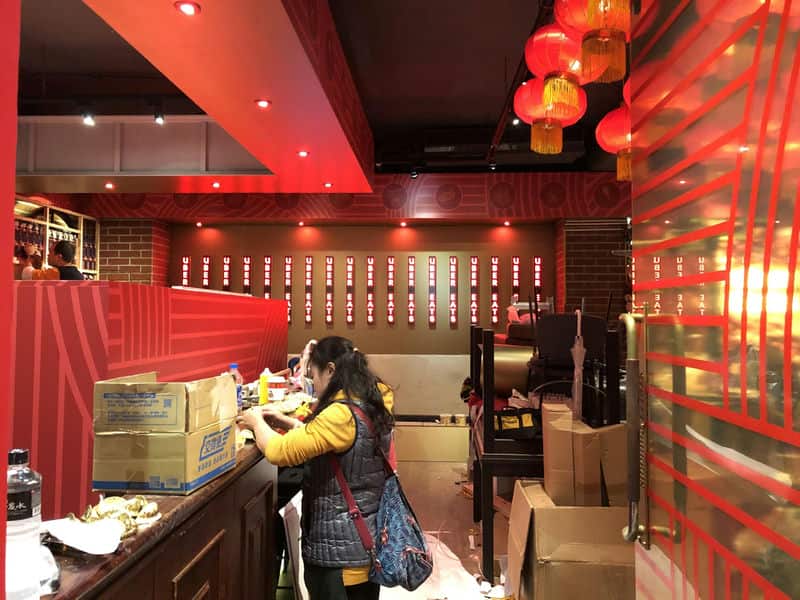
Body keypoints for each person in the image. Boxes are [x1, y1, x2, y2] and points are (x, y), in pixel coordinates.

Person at [238, 336, 394, 600]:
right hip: (362, 546)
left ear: (330, 370)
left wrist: (255, 421)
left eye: (314, 375)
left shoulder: (341, 414)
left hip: (339, 561)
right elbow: (332, 441)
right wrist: (285, 422)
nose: (314, 383)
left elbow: (278, 451)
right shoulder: (368, 401)